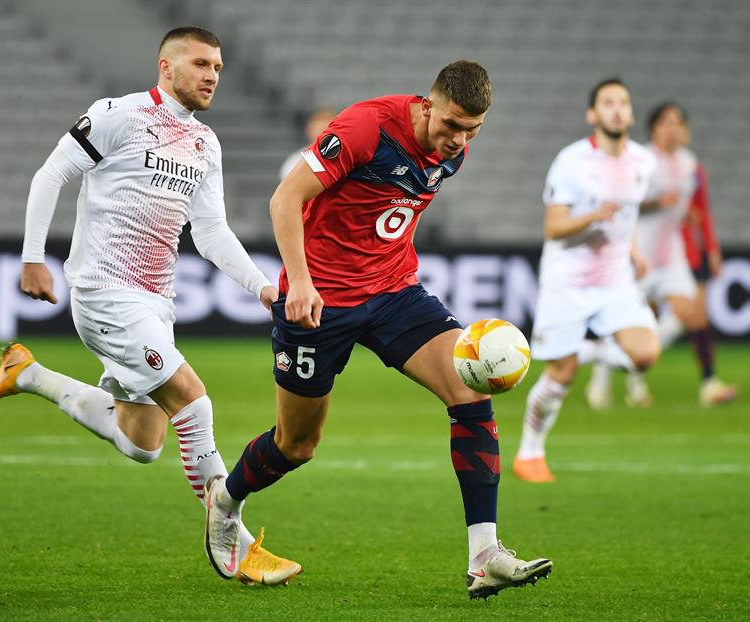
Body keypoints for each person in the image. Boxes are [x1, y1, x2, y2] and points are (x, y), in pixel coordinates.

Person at [202, 60, 552, 600]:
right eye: (452, 125)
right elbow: (284, 200)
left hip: (393, 293)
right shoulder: (366, 128)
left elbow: (390, 209)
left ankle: (485, 555)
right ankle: (224, 501)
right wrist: (300, 281)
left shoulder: (452, 153)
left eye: (472, 130)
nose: (459, 140)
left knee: (468, 389)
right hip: (320, 303)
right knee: (296, 445)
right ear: (427, 104)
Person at [0, 26, 301, 586]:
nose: (211, 76)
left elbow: (212, 230)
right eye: (200, 64)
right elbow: (51, 174)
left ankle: (29, 376)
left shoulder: (205, 143)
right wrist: (33, 257)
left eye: (218, 68)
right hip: (104, 291)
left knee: (141, 442)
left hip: (155, 302)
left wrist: (262, 287)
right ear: (165, 67)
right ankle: (235, 542)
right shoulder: (117, 115)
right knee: (194, 404)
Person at [512, 78, 661, 484]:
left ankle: (589, 351)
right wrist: (592, 216)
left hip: (615, 281)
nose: (616, 109)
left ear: (630, 114)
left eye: (623, 103)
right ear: (592, 115)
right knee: (562, 372)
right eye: (607, 103)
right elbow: (554, 227)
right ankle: (530, 452)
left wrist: (634, 251)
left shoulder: (643, 162)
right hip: (568, 281)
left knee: (646, 353)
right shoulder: (572, 161)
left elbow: (625, 215)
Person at [584, 102, 737, 409]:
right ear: (653, 128)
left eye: (678, 122)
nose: (673, 128)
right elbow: (617, 202)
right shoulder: (638, 160)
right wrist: (655, 203)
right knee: (628, 322)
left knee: (691, 314)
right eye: (666, 122)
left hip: (672, 254)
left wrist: (711, 247)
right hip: (637, 252)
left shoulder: (690, 164)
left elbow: (700, 209)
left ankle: (708, 383)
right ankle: (603, 380)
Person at [278, 107, 336, 180]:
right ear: (309, 129)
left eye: (326, 129)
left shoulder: (344, 161)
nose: (322, 134)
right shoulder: (295, 161)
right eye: (319, 129)